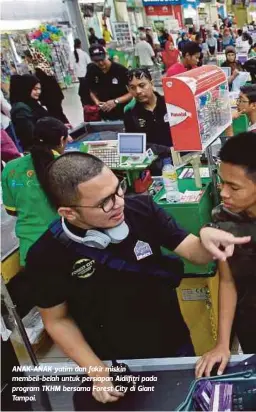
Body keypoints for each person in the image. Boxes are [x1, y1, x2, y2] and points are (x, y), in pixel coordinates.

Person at [25, 151, 250, 404]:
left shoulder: (141, 209)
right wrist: (96, 371)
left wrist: (207, 237)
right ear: (69, 213)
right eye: (104, 202)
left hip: (173, 344)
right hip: (113, 363)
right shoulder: (45, 256)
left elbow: (193, 252)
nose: (119, 203)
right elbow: (57, 320)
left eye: (118, 189)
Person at [195, 133, 256, 378]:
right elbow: (228, 281)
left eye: (234, 187)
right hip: (250, 320)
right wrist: (222, 344)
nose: (224, 193)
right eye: (222, 183)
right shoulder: (223, 217)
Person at [1, 117, 71, 266]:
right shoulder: (68, 166)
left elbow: (11, 210)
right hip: (67, 248)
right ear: (61, 140)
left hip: (30, 252)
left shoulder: (10, 168)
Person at [124, 68, 172, 160]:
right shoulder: (130, 114)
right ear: (128, 89)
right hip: (151, 165)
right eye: (132, 87)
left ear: (151, 83)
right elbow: (133, 147)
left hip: (179, 160)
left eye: (142, 85)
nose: (138, 91)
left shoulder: (171, 105)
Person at [85, 45, 132, 120]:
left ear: (106, 55)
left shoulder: (120, 70)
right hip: (104, 114)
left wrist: (115, 101)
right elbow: (91, 90)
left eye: (102, 59)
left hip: (123, 113)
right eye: (96, 61)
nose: (100, 63)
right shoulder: (92, 70)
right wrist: (97, 101)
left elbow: (133, 92)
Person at [24, 48, 69, 124]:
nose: (26, 59)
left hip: (50, 97)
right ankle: (68, 129)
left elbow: (42, 85)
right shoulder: (44, 65)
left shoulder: (39, 70)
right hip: (55, 95)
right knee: (59, 114)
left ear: (32, 57)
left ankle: (66, 131)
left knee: (56, 116)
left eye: (27, 57)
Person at [10, 74, 48, 151]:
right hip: (37, 150)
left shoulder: (32, 103)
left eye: (39, 89)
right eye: (35, 89)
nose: (38, 92)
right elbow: (30, 135)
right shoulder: (21, 109)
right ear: (26, 88)